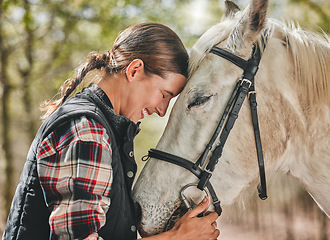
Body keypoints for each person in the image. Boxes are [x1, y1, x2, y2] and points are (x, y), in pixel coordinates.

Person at [3, 23, 220, 240]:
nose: (162, 111)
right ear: (134, 70)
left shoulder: (106, 131)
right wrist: (177, 237)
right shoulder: (87, 132)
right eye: (164, 94)